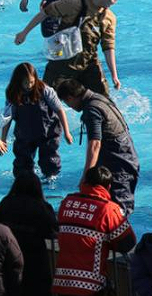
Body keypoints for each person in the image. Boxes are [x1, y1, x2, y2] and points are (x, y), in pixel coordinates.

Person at [15, 0, 123, 95]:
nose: (115, 3)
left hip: (88, 64)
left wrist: (114, 75)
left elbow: (108, 47)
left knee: (103, 101)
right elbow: (44, 13)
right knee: (44, 98)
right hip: (62, 62)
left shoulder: (109, 18)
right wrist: (24, 33)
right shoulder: (72, 4)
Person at [56, 79, 140, 215]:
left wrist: (86, 177)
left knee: (118, 211)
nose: (70, 107)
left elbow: (95, 144)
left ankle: (118, 234)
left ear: (70, 98)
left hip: (120, 165)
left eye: (67, 103)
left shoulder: (91, 109)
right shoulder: (100, 97)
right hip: (127, 157)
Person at [53, 166, 136, 294]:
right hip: (91, 284)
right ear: (108, 187)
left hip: (61, 282)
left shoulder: (66, 202)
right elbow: (128, 242)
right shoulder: (108, 209)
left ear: (85, 182)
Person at [1, 62, 73, 179]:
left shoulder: (45, 90)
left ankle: (50, 181)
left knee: (50, 163)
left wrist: (67, 132)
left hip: (48, 132)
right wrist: (2, 139)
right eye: (26, 83)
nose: (29, 85)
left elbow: (60, 110)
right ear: (18, 81)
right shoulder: (12, 93)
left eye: (31, 82)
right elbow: (7, 118)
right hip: (25, 133)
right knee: (22, 165)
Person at [0, 172, 58, 296]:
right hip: (36, 260)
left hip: (9, 258)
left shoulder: (5, 203)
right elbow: (53, 231)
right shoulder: (42, 207)